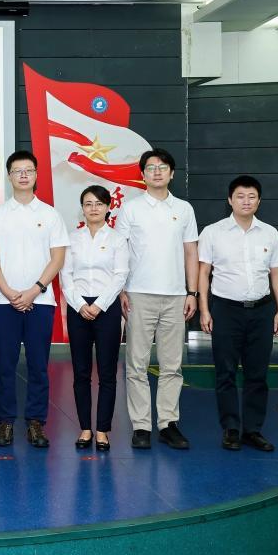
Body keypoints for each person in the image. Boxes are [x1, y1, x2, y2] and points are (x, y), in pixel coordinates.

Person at [198, 175, 278, 452]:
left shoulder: (270, 233)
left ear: (259, 201)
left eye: (251, 197)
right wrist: (204, 309)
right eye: (240, 196)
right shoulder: (213, 232)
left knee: (257, 373)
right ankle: (231, 428)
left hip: (262, 311)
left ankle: (253, 430)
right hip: (226, 310)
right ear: (230, 200)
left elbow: (277, 273)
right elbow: (203, 272)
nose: (246, 201)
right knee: (225, 372)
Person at [117, 148, 199, 450]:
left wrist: (192, 292)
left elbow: (191, 252)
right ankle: (141, 425)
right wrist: (122, 289)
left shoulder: (184, 209)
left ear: (172, 173)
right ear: (142, 174)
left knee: (172, 366)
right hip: (138, 295)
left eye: (162, 167)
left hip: (176, 296)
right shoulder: (131, 209)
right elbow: (120, 251)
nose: (156, 172)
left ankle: (167, 423)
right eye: (150, 167)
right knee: (136, 365)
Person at [0, 150, 68, 448]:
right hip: (3, 301)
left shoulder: (50, 214)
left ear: (36, 175)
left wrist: (35, 289)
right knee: (4, 366)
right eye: (17, 171)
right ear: (9, 176)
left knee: (38, 365)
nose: (23, 175)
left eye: (28, 170)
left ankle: (36, 422)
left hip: (40, 302)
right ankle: (5, 422)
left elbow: (57, 258)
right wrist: (9, 292)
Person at [59, 186, 129, 452]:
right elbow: (65, 275)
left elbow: (120, 275)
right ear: (82, 209)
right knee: (81, 372)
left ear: (108, 207)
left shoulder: (117, 239)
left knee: (107, 372)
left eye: (99, 203)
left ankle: (102, 430)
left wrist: (99, 305)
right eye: (88, 204)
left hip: (107, 308)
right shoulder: (72, 239)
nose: (93, 208)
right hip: (78, 308)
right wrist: (79, 304)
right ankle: (85, 428)